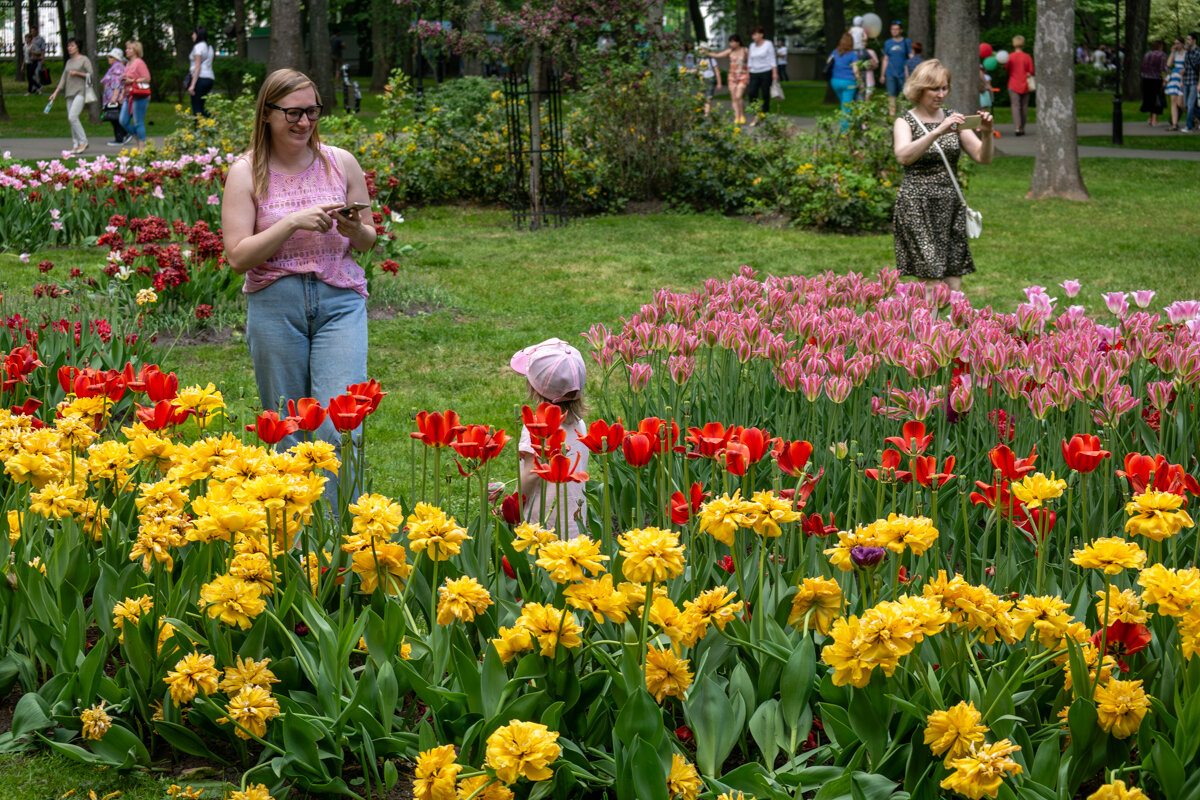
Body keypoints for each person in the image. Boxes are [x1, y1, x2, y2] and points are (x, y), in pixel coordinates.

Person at [221, 69, 376, 503]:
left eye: (311, 111)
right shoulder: (245, 172)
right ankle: (296, 535)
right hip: (275, 304)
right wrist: (291, 222)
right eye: (292, 112)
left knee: (340, 419)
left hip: (340, 301)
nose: (304, 122)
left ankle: (340, 535)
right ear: (267, 114)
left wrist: (353, 227)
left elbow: (367, 240)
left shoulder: (340, 162)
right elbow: (237, 256)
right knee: (287, 423)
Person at [892, 59, 994, 292]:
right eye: (934, 88)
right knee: (931, 278)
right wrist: (938, 131)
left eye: (944, 88)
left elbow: (983, 157)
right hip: (917, 205)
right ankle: (928, 327)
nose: (941, 94)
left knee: (953, 279)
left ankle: (949, 327)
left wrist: (987, 135)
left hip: (950, 205)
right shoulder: (905, 121)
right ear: (919, 89)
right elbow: (903, 156)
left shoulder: (954, 118)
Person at [511, 338, 589, 539]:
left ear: (534, 387)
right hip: (574, 520)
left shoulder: (537, 427)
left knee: (541, 569)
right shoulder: (579, 424)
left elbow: (531, 474)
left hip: (542, 523)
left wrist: (512, 505)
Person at [47, 37, 95, 155]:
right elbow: (63, 79)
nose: (69, 48)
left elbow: (91, 75)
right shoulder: (69, 62)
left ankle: (83, 141)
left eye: (72, 46)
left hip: (81, 92)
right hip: (69, 93)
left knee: (72, 117)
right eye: (68, 46)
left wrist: (78, 73)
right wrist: (55, 93)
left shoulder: (84, 60)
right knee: (72, 120)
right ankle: (75, 144)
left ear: (78, 47)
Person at [706, 35, 749, 124]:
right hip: (732, 77)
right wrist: (706, 52)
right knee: (733, 98)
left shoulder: (745, 50)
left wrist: (748, 74)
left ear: (738, 42)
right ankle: (736, 117)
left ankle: (742, 115)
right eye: (730, 42)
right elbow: (717, 55)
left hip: (742, 76)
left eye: (733, 42)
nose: (731, 44)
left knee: (739, 96)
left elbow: (751, 62)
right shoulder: (730, 51)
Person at [119, 41, 152, 149]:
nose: (126, 50)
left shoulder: (139, 63)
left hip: (139, 96)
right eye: (126, 48)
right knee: (123, 120)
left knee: (138, 121)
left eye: (129, 49)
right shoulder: (128, 64)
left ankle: (141, 147)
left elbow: (147, 78)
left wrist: (132, 80)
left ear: (136, 50)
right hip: (128, 96)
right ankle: (138, 137)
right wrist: (122, 94)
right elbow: (125, 81)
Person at [745, 26, 779, 123]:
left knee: (765, 94)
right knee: (751, 93)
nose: (753, 36)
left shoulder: (768, 44)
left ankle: (765, 114)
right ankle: (756, 113)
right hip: (754, 72)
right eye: (752, 34)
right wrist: (747, 74)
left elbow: (772, 59)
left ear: (761, 34)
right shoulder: (752, 46)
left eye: (755, 34)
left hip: (766, 72)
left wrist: (774, 73)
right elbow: (750, 61)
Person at [881, 21, 913, 116]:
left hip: (903, 74)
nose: (894, 31)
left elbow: (910, 55)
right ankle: (892, 115)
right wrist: (882, 75)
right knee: (891, 95)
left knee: (902, 95)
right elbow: (885, 59)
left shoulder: (906, 41)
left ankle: (901, 115)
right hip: (890, 73)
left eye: (896, 29)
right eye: (892, 29)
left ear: (900, 30)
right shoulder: (888, 43)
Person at [1004, 35, 1034, 136]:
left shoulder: (1010, 57)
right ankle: (1022, 127)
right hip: (1025, 84)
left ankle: (1017, 127)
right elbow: (1031, 71)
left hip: (1013, 84)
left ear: (1014, 44)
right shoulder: (1027, 57)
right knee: (1024, 106)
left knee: (1015, 106)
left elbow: (1007, 69)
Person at [826, 33, 860, 118]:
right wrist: (859, 81)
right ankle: (845, 130)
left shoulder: (835, 51)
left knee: (843, 104)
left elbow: (828, 62)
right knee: (846, 107)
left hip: (835, 81)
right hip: (848, 82)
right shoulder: (852, 54)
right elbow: (855, 69)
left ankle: (850, 126)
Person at [186, 26, 216, 118]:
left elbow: (197, 66)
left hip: (200, 79)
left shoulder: (198, 47)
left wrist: (192, 85)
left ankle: (198, 130)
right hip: (209, 79)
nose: (192, 36)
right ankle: (214, 124)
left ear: (198, 35)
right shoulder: (209, 47)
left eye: (193, 34)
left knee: (197, 109)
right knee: (201, 108)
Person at [99, 47, 126, 146]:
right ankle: (123, 134)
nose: (108, 58)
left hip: (114, 98)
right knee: (115, 117)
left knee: (115, 117)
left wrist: (114, 97)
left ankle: (120, 136)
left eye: (111, 57)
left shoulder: (117, 67)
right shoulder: (115, 67)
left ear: (116, 58)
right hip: (111, 98)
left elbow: (117, 83)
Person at [1140, 40, 1167, 127]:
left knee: (1149, 98)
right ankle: (1155, 119)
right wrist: (1165, 79)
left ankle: (1150, 118)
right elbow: (1162, 68)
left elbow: (1143, 66)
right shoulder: (1161, 54)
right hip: (1156, 78)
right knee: (1157, 98)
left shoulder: (1147, 54)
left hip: (1146, 78)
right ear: (1160, 46)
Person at [1165, 37, 1186, 130]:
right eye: (1175, 43)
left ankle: (1195, 117)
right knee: (1173, 102)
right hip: (1174, 77)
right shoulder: (1175, 53)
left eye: (1178, 43)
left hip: (1182, 78)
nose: (1176, 45)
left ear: (1182, 44)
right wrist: (1172, 52)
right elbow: (1168, 64)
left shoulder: (1186, 53)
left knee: (1180, 103)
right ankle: (1174, 124)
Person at [1183, 33, 1200, 132]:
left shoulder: (1198, 52)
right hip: (1186, 81)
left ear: (1194, 41)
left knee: (1190, 105)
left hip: (1194, 81)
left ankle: (1188, 126)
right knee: (1186, 105)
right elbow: (1186, 67)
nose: (1187, 41)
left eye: (1188, 39)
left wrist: (1199, 83)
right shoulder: (1187, 53)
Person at [699, 51, 722, 117]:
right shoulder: (699, 59)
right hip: (701, 80)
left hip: (710, 79)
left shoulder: (712, 59)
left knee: (708, 98)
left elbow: (717, 72)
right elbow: (696, 69)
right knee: (701, 97)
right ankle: (703, 112)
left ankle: (706, 114)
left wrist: (719, 83)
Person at [26, 25, 45, 95]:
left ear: (37, 31)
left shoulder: (40, 39)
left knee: (37, 73)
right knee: (31, 75)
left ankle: (38, 88)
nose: (32, 32)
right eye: (31, 31)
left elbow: (42, 49)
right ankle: (35, 88)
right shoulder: (30, 39)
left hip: (38, 59)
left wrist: (43, 58)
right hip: (30, 60)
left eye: (34, 31)